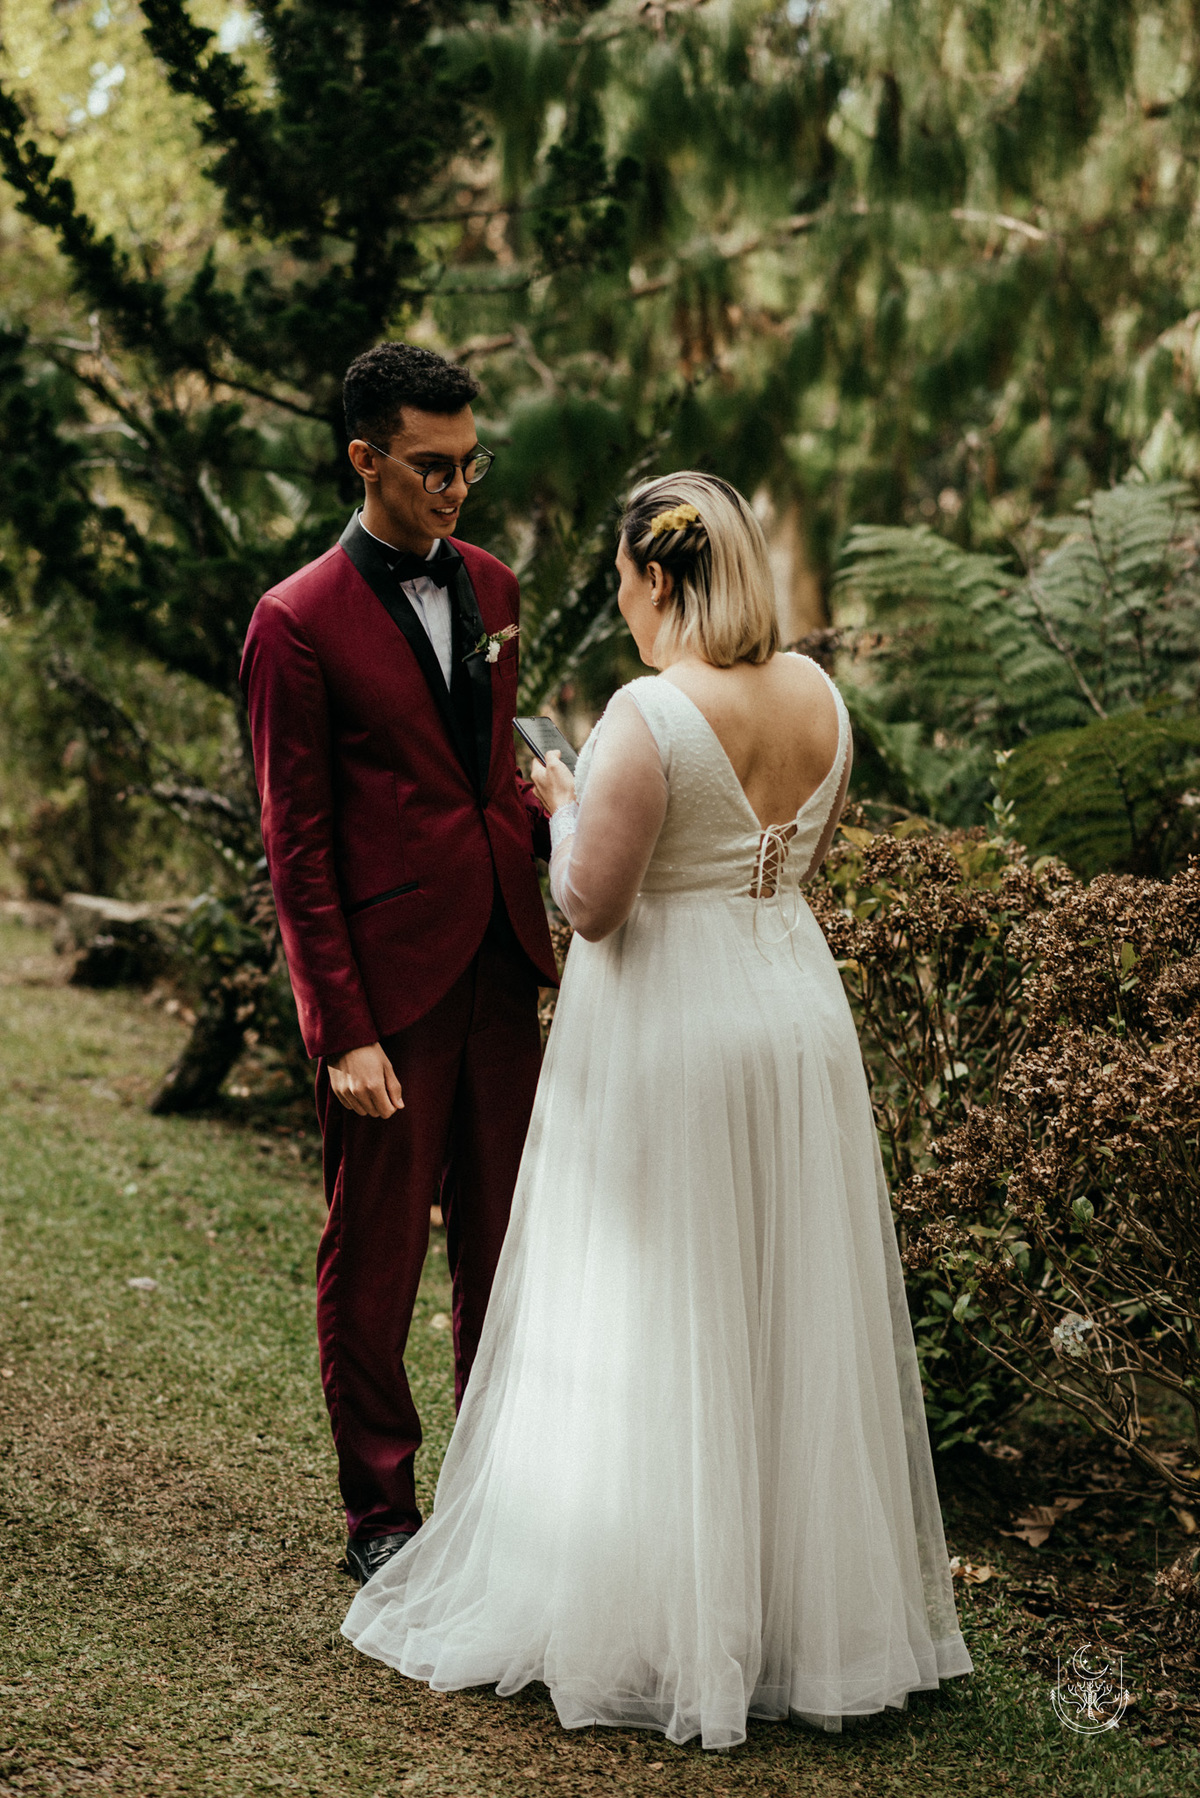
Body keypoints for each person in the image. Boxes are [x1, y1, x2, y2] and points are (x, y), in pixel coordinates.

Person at [342, 472, 972, 1748]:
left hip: (672, 1025)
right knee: (776, 1297)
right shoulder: (819, 697)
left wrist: (565, 799)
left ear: (660, 577)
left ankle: (656, 1612)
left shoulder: (649, 709)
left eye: (625, 583)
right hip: (792, 1010)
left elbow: (595, 905)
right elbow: (796, 856)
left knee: (659, 1303)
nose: (621, 606)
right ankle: (794, 1613)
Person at [240, 344, 558, 1588]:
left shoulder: (493, 582)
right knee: (371, 1259)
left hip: (502, 964)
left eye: (470, 462)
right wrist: (341, 1029)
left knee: (505, 1243)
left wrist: (569, 826)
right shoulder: (295, 620)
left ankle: (489, 1492)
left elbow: (491, 775)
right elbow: (296, 846)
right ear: (364, 458)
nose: (457, 488)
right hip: (385, 991)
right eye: (431, 466)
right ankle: (381, 1508)